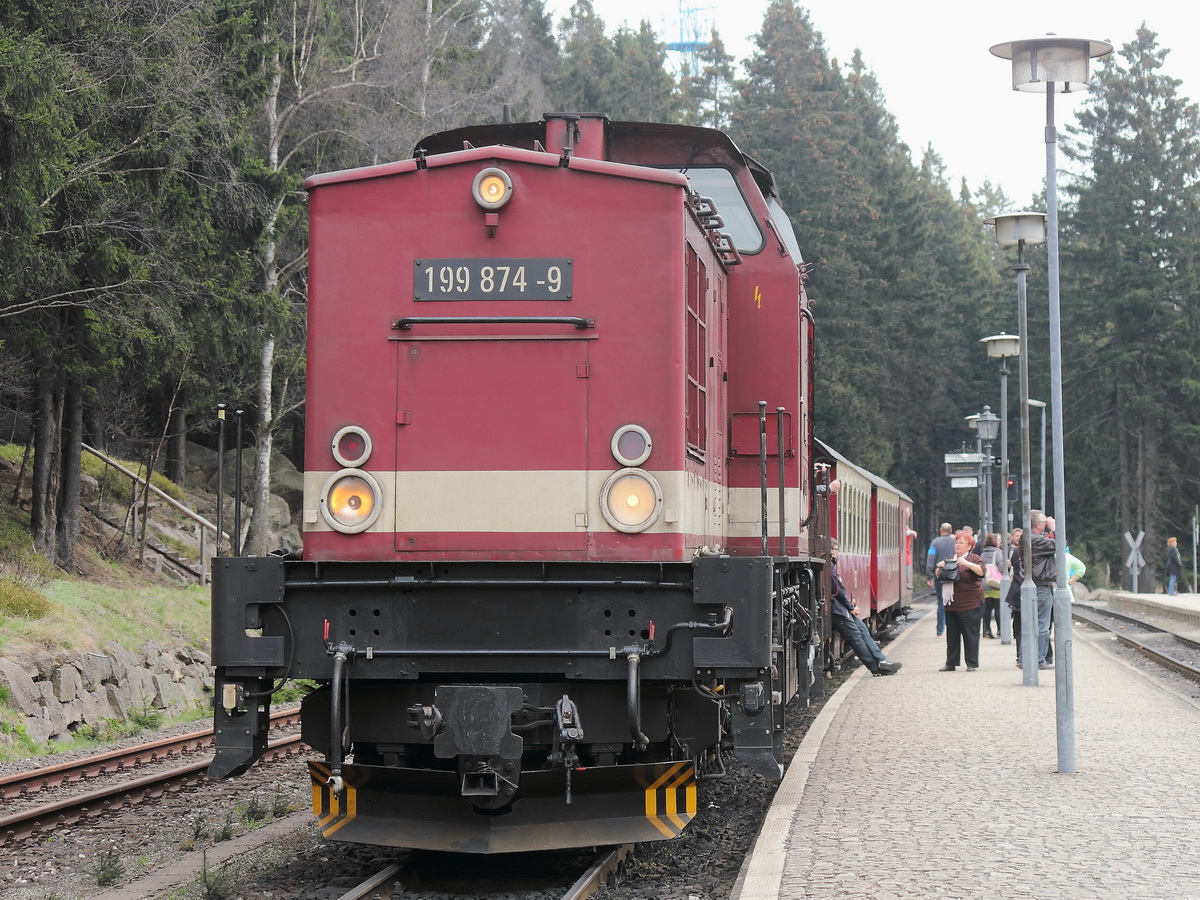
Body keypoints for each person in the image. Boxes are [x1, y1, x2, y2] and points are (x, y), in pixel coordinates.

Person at [830, 539, 902, 676]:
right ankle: (876, 668)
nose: (837, 552)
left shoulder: (832, 565)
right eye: (835, 549)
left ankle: (882, 659)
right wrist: (850, 608)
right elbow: (837, 590)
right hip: (838, 611)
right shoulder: (829, 567)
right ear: (829, 550)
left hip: (842, 609)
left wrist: (849, 607)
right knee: (856, 636)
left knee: (862, 629)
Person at [935, 530, 985, 671]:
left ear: (969, 546)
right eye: (956, 542)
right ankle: (951, 663)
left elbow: (981, 571)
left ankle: (971, 664)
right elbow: (941, 577)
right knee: (952, 635)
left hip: (971, 603)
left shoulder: (974, 558)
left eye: (961, 543)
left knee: (970, 635)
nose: (957, 545)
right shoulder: (951, 558)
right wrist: (939, 569)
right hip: (952, 604)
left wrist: (967, 563)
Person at [1029, 510, 1057, 669]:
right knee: (1042, 625)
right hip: (1041, 585)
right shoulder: (1035, 540)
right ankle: (1040, 660)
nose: (1046, 523)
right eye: (1044, 521)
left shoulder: (1032, 538)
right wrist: (1053, 529)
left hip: (1038, 584)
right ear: (1038, 524)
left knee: (1038, 624)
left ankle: (1038, 658)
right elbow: (1060, 545)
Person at [926, 523, 956, 637]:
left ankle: (939, 631)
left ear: (940, 531)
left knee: (940, 603)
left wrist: (930, 575)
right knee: (952, 602)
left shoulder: (935, 543)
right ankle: (952, 629)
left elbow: (930, 559)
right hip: (954, 575)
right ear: (950, 530)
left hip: (940, 576)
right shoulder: (955, 542)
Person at [979, 532, 1004, 639]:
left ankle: (986, 630)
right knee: (998, 608)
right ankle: (1000, 630)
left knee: (986, 609)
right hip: (996, 583)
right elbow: (1002, 568)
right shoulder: (998, 553)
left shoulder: (983, 554)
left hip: (985, 583)